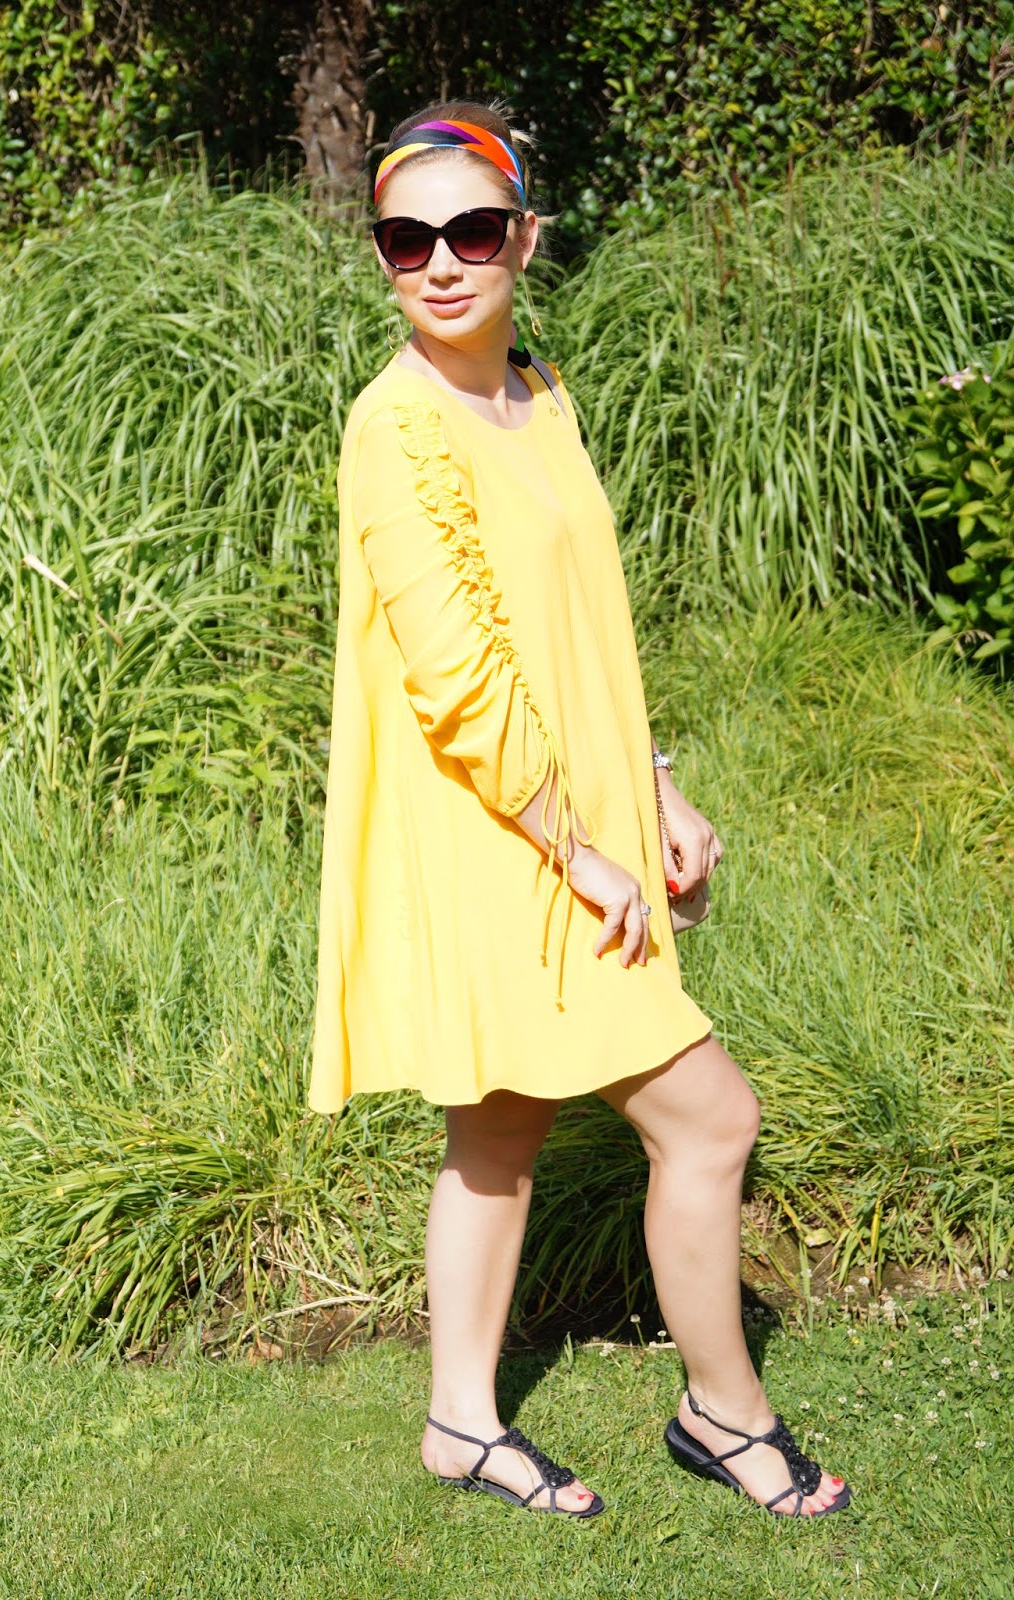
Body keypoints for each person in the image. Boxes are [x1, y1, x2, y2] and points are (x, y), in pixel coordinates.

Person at [308, 101, 850, 1520]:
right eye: (406, 238)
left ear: (525, 238)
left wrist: (654, 784)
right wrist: (582, 850)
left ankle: (460, 1424)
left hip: (570, 826)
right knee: (711, 1120)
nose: (441, 262)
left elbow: (581, 621)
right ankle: (723, 1414)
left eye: (472, 229)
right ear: (380, 255)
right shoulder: (396, 427)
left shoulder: (537, 388)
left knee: (497, 1133)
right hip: (503, 842)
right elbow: (459, 683)